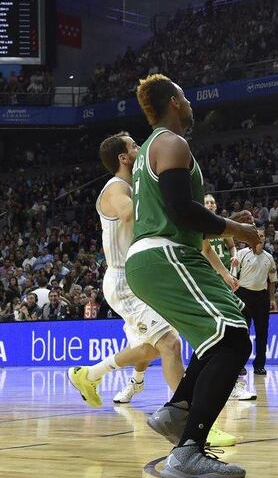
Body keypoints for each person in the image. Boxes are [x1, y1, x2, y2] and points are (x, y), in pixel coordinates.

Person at [124, 74, 260, 478]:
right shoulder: (170, 142)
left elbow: (183, 214)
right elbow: (182, 212)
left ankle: (176, 410)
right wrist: (238, 230)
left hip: (159, 256)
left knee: (218, 335)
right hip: (165, 253)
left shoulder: (157, 146)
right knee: (234, 338)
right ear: (174, 102)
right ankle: (188, 449)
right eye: (184, 96)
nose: (189, 102)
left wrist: (227, 226)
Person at [70, 132, 199, 421]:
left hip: (139, 277)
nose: (140, 148)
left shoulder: (130, 185)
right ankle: (188, 421)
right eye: (134, 146)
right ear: (123, 158)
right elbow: (128, 212)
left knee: (151, 349)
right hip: (124, 280)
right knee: (170, 344)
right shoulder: (116, 187)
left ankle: (89, 374)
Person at [201, 194, 254, 401]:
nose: (211, 204)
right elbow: (204, 248)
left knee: (238, 318)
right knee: (226, 328)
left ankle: (229, 378)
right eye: (207, 202)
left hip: (218, 278)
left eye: (213, 202)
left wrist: (227, 272)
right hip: (203, 278)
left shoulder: (218, 225)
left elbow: (222, 245)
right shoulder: (196, 222)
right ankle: (226, 380)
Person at [234, 229, 278, 375]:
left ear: (265, 239)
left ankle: (259, 365)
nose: (259, 238)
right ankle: (239, 364)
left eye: (261, 236)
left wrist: (272, 298)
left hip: (261, 297)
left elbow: (272, 281)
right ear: (250, 238)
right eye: (256, 236)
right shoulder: (241, 254)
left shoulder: (269, 258)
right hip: (243, 295)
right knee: (241, 333)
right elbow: (233, 277)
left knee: (262, 332)